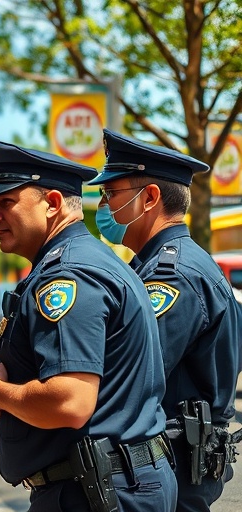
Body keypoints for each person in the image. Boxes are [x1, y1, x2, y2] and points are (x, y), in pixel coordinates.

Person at [0, 139, 176, 512]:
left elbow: (69, 402)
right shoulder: (86, 259)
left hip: (96, 494)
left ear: (52, 204)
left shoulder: (68, 275)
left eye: (6, 202)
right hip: (110, 485)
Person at [89, 129, 242, 511]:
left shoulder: (173, 276)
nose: (103, 205)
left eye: (112, 194)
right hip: (166, 460)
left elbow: (130, 372)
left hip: (172, 464)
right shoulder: (156, 266)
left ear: (150, 198)